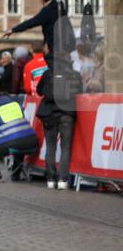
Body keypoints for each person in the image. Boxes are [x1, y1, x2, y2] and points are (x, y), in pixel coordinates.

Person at [36, 52, 83, 189]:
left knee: (51, 147)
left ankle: (50, 179)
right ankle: (62, 180)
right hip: (67, 114)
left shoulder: (48, 73)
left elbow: (39, 91)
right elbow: (79, 92)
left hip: (49, 113)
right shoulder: (74, 74)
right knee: (66, 147)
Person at [0, 92, 39, 182]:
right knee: (19, 139)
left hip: (12, 145)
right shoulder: (17, 106)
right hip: (32, 144)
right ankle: (15, 174)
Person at [3, 0, 75, 54]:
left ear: (42, 0)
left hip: (56, 46)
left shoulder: (47, 11)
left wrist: (13, 30)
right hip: (68, 44)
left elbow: (31, 22)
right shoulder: (60, 7)